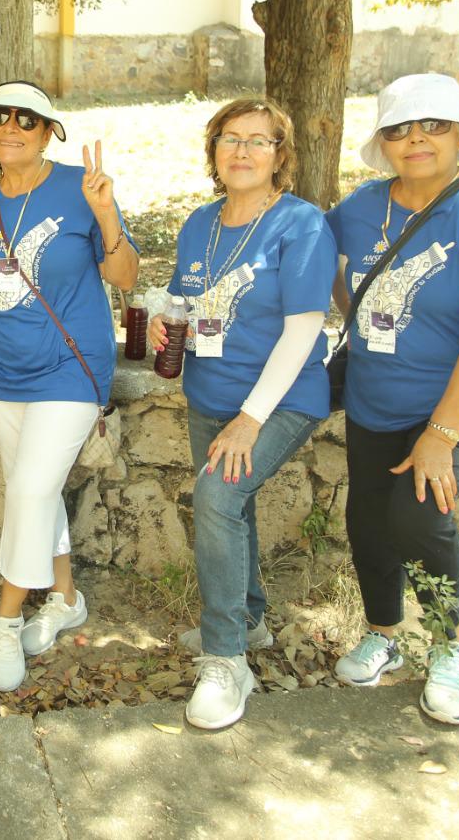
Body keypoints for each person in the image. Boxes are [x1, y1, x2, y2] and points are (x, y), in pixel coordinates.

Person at [326, 73, 459, 726]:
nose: (415, 139)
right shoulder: (357, 210)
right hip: (373, 396)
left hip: (458, 403)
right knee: (368, 520)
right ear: (382, 142)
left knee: (418, 518)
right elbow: (336, 286)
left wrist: (440, 438)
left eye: (432, 126)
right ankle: (384, 633)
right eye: (399, 128)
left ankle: (448, 647)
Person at [148, 97, 336, 730]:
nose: (243, 151)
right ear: (214, 151)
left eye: (260, 140)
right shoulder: (199, 223)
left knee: (218, 500)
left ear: (280, 155)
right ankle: (250, 621)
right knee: (236, 505)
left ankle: (226, 658)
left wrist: (252, 417)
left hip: (279, 399)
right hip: (210, 391)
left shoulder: (301, 224)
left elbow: (305, 327)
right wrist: (165, 324)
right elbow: (186, 295)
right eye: (231, 138)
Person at [0, 80, 139, 693]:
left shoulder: (78, 190)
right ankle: (65, 600)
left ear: (48, 131)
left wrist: (107, 212)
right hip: (5, 373)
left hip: (71, 365)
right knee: (40, 491)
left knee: (30, 489)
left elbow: (126, 275)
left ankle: (5, 619)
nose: (9, 128)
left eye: (25, 120)